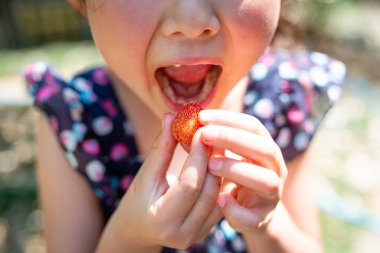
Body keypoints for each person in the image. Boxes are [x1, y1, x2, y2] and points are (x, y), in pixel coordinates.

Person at [24, 0, 346, 252]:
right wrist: (133, 234)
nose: (192, 22)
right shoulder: (75, 122)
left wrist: (269, 223)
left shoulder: (286, 99)